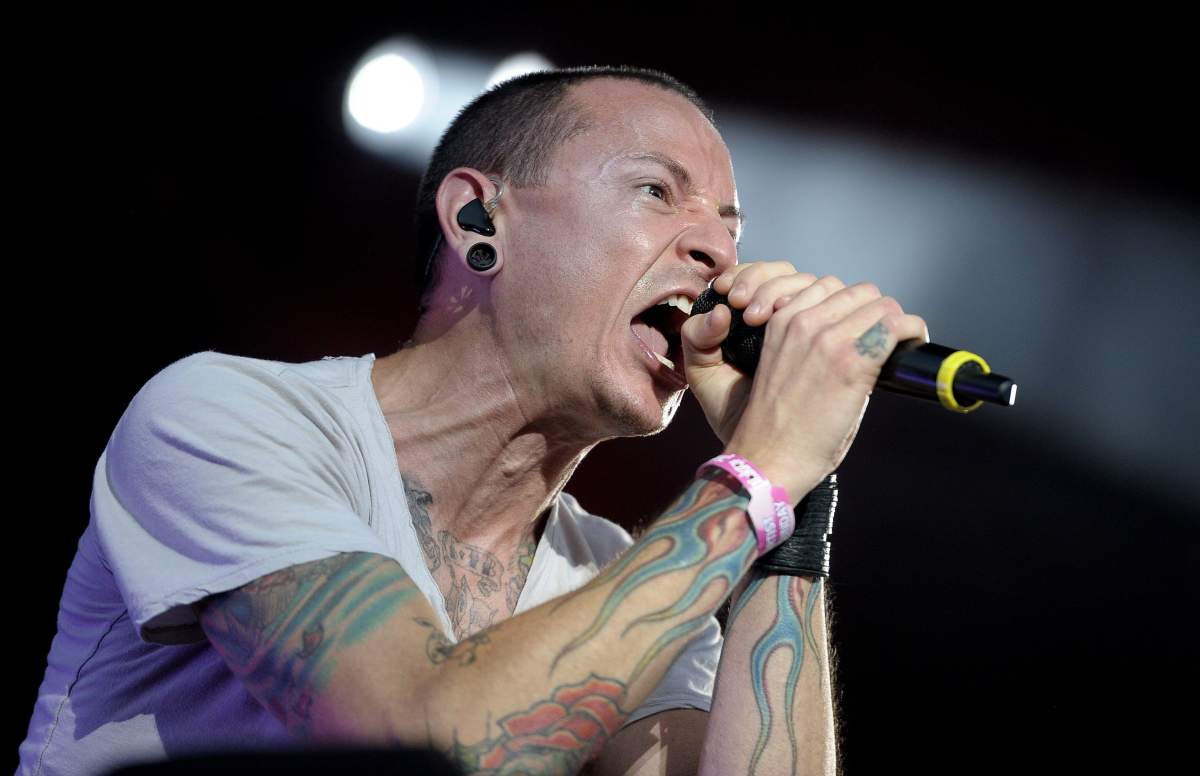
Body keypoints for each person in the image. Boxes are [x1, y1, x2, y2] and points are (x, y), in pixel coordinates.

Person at [19, 65, 927, 775]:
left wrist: (793, 508)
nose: (719, 253)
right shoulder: (229, 419)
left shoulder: (628, 577)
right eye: (657, 191)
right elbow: (429, 754)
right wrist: (756, 478)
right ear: (477, 214)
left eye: (731, 226)